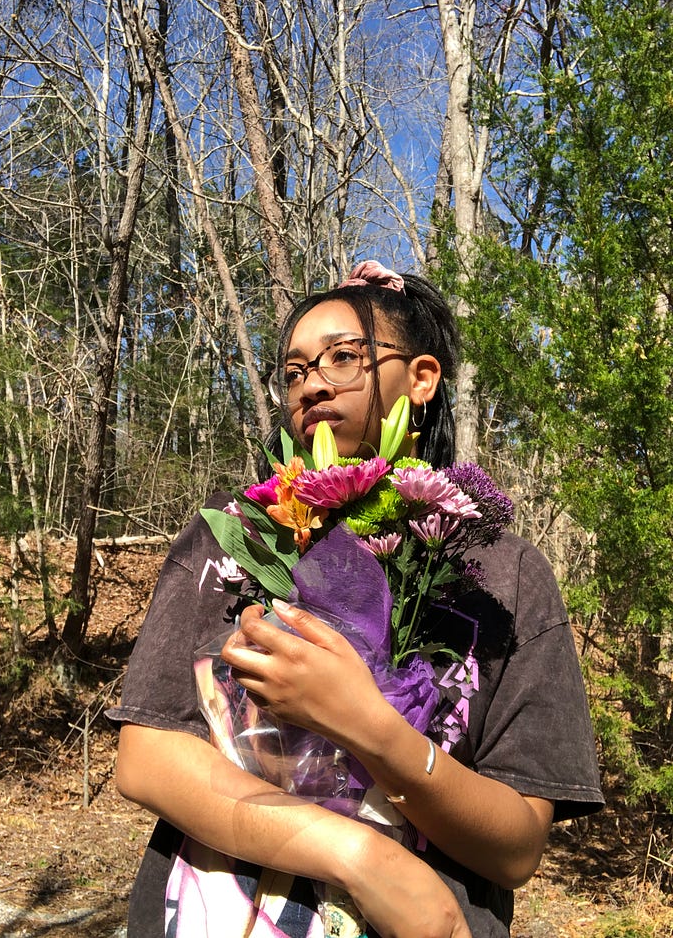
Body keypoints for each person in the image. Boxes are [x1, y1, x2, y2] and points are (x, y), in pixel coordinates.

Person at [107, 261, 604, 938]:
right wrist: (360, 856)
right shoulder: (240, 532)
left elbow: (515, 847)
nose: (312, 383)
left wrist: (369, 728)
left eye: (345, 358)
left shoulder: (505, 574)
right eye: (293, 370)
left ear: (421, 379)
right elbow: (149, 757)